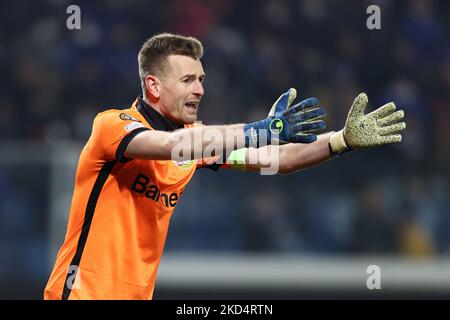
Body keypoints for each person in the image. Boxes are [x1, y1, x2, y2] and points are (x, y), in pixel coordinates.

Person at [44, 33, 406, 300]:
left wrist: (340, 140)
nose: (200, 90)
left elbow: (277, 160)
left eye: (201, 80)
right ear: (153, 86)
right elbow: (170, 146)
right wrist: (261, 130)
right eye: (187, 80)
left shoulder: (199, 142)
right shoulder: (112, 126)